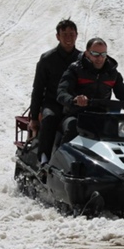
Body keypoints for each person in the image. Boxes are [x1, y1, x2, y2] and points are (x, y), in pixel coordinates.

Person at [56, 37, 124, 144]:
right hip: (76, 114)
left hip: (102, 116)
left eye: (103, 54)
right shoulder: (75, 69)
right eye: (95, 54)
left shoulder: (112, 73)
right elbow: (62, 92)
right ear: (87, 53)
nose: (100, 58)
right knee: (73, 126)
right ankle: (59, 153)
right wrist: (74, 100)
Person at [28, 18, 81, 165]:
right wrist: (34, 117)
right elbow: (38, 88)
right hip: (52, 103)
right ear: (57, 36)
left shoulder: (83, 59)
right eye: (64, 34)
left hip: (74, 105)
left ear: (77, 35)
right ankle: (44, 159)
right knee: (49, 118)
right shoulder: (47, 59)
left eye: (72, 34)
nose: (68, 38)